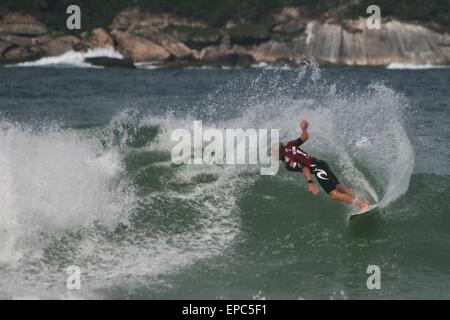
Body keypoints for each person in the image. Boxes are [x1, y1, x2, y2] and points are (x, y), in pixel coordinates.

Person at [277, 119, 370, 212]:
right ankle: (364, 201)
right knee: (340, 187)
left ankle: (361, 204)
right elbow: (304, 137)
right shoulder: (289, 145)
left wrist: (310, 183)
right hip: (321, 163)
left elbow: (305, 168)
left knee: (334, 195)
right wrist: (304, 129)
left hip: (317, 169)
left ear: (280, 152)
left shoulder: (288, 163)